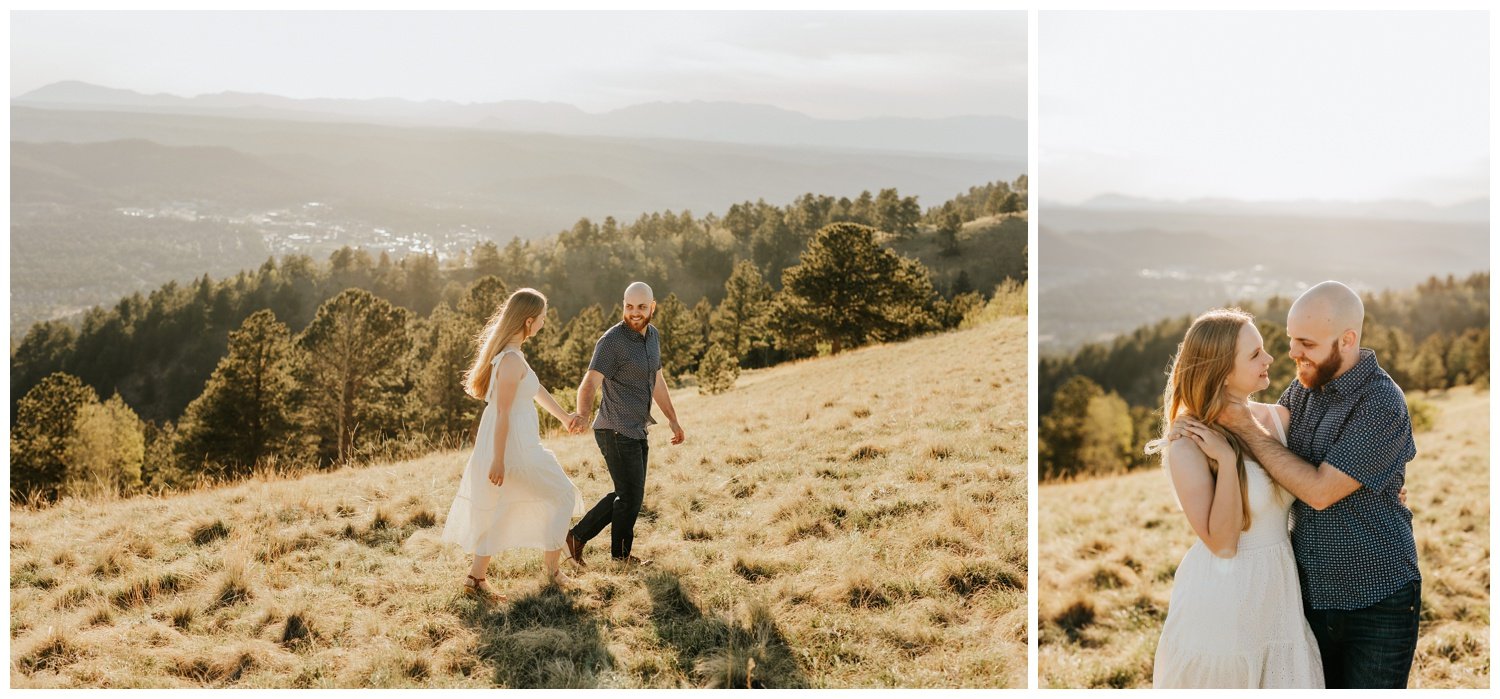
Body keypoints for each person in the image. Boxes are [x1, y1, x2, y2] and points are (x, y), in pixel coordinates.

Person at [1178, 281, 1420, 688]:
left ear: (1347, 340)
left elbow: (1320, 491)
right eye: (1292, 340)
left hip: (1376, 600)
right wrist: (1203, 414)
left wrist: (1243, 427)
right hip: (1302, 596)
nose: (1292, 353)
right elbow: (1264, 429)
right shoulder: (1304, 389)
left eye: (1305, 343)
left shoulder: (1380, 402)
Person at [1148, 308, 1324, 688]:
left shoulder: (1279, 420)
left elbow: (1318, 483)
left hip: (1280, 592)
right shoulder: (1187, 445)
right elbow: (1223, 544)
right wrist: (1227, 462)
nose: (1270, 359)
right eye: (1255, 354)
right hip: (1225, 600)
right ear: (1222, 371)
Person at [441, 288, 586, 601]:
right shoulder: (509, 360)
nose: (544, 325)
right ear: (529, 321)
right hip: (518, 450)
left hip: (518, 447)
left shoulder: (514, 356)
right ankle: (552, 572)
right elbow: (503, 413)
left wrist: (563, 417)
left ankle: (475, 578)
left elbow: (535, 389)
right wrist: (498, 459)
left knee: (502, 509)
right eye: (543, 319)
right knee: (563, 494)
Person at [563, 281, 685, 568]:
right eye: (629, 306)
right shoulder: (612, 342)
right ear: (623, 306)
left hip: (637, 427)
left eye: (642, 307)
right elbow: (589, 383)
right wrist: (581, 413)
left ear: (652, 307)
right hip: (614, 429)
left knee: (629, 494)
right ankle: (602, 549)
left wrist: (672, 419)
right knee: (629, 495)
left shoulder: (652, 336)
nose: (635, 313)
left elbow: (658, 382)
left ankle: (590, 543)